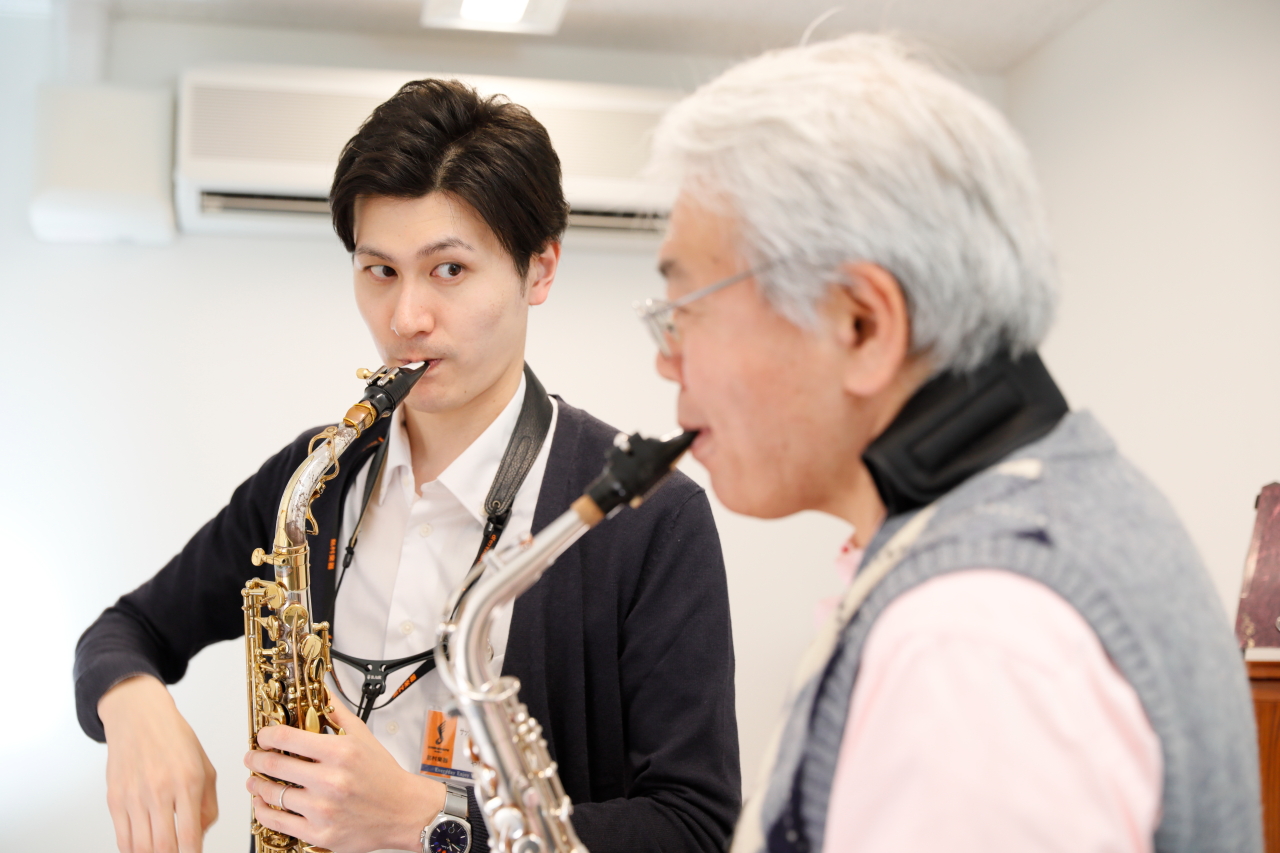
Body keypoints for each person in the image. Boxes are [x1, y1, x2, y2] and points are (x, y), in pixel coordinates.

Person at [74, 79, 739, 853]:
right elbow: (126, 630)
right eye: (379, 270)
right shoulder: (311, 477)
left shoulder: (649, 517)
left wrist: (428, 818)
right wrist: (134, 705)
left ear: (539, 269)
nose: (404, 319)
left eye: (448, 270)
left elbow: (693, 827)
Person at [639, 34, 1261, 853]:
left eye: (687, 309)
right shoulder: (1065, 490)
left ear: (861, 323)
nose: (665, 357)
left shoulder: (970, 643)